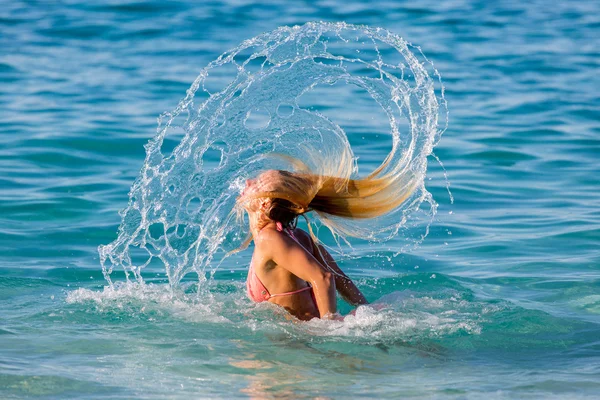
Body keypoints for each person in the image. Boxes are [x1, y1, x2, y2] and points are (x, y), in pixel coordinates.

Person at [236, 158, 416, 321]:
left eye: (258, 183)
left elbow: (324, 278)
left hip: (301, 340)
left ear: (264, 203)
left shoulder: (270, 238)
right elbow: (340, 279)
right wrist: (365, 309)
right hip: (304, 335)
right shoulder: (297, 236)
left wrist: (329, 327)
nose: (248, 182)